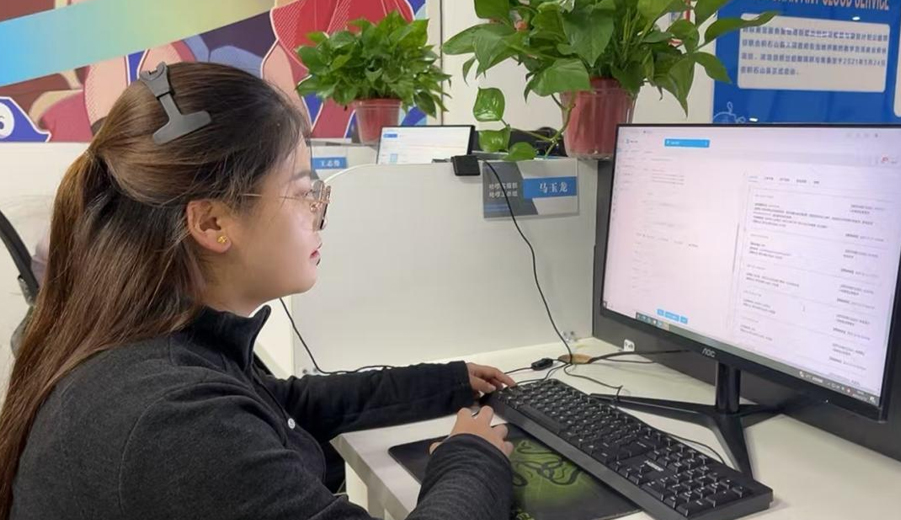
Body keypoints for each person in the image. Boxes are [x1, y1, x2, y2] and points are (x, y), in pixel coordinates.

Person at [0, 62, 515, 520]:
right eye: (304, 191)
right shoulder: (176, 422)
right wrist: (472, 458)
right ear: (212, 223)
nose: (318, 212)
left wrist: (446, 381)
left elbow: (287, 403)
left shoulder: (163, 344)